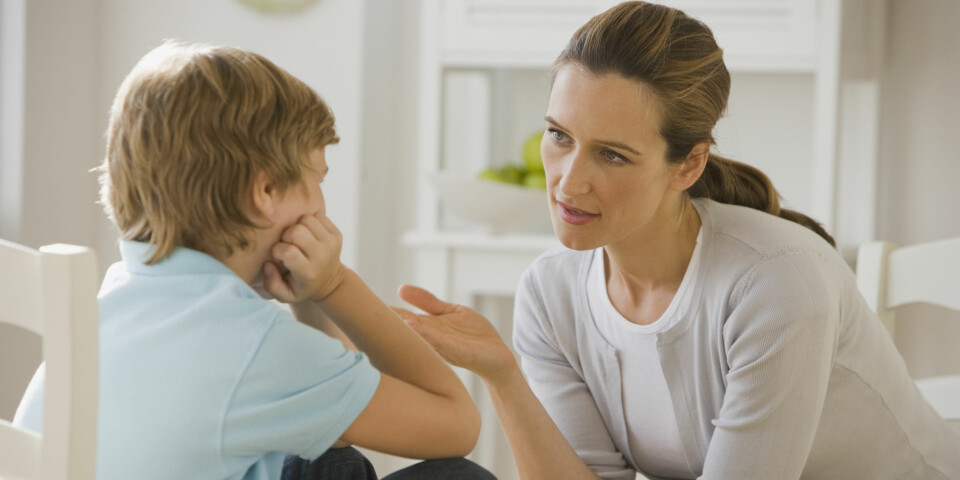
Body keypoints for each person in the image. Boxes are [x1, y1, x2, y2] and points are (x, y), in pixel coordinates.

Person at [394, 2, 960, 479]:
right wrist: (503, 375)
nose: (568, 181)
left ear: (689, 163)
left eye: (612, 153)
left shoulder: (777, 282)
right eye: (559, 136)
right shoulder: (550, 293)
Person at [12, 41, 495, 480]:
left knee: (331, 460)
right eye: (317, 179)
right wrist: (333, 286)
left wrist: (305, 302)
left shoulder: (118, 299)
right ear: (264, 191)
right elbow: (457, 425)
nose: (322, 208)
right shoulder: (252, 345)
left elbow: (334, 424)